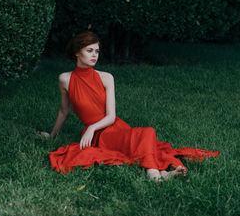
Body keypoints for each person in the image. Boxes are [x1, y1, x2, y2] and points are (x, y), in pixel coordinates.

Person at [40, 31, 219, 181]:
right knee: (145, 138)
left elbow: (111, 115)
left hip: (113, 126)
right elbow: (64, 111)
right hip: (99, 137)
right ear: (78, 52)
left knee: (147, 135)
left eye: (97, 51)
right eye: (89, 50)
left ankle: (160, 174)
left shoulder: (106, 77)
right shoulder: (65, 79)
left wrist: (91, 128)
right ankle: (156, 175)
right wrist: (52, 136)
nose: (95, 55)